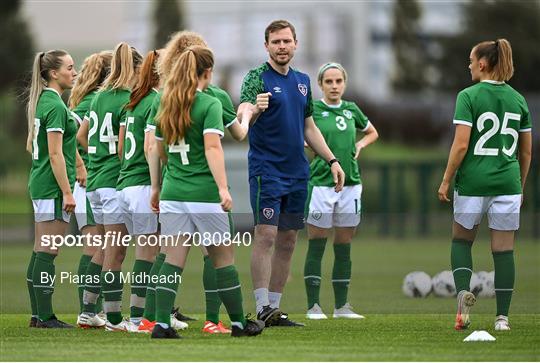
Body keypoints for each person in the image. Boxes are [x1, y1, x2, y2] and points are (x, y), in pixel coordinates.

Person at [148, 45, 264, 339]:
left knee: (173, 259)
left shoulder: (165, 101)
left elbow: (158, 149)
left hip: (174, 194)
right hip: (204, 195)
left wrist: (161, 184)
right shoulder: (209, 104)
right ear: (208, 72)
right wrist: (223, 188)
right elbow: (213, 147)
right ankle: (239, 323)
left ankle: (161, 323)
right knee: (223, 259)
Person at [238, 19, 345, 326]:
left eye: (286, 41)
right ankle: (260, 308)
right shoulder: (256, 78)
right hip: (266, 171)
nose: (282, 46)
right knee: (266, 235)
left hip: (298, 172)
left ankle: (275, 308)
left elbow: (308, 126)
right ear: (267, 46)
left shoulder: (302, 80)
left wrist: (332, 160)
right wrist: (254, 109)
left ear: (295, 44)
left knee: (288, 240)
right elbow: (243, 113)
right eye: (276, 42)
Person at [438, 39, 532, 331]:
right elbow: (526, 151)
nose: (468, 66)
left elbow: (461, 144)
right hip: (508, 183)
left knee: (461, 241)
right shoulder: (519, 99)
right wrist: (520, 186)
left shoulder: (468, 95)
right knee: (503, 251)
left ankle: (463, 298)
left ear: (481, 64)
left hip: (473, 184)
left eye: (470, 61)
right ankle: (502, 318)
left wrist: (445, 179)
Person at [304, 62, 378, 320]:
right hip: (321, 185)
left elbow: (372, 132)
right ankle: (313, 306)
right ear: (321, 84)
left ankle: (342, 307)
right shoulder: (312, 109)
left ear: (344, 83)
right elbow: (304, 136)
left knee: (344, 244)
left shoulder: (351, 109)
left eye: (338, 81)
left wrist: (360, 145)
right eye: (329, 82)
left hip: (351, 186)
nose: (334, 86)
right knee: (317, 243)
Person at [77, 42, 143, 332]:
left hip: (95, 181)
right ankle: (114, 319)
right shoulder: (129, 98)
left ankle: (87, 312)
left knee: (104, 248)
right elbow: (122, 146)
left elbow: (81, 135)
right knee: (116, 251)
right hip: (115, 182)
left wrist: (95, 157)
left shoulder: (99, 97)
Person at [26, 50, 80, 328]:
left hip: (41, 182)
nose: (75, 72)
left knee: (40, 250)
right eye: (70, 68)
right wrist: (68, 192)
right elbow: (56, 154)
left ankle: (38, 315)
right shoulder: (56, 106)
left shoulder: (47, 101)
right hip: (52, 185)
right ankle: (45, 316)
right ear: (53, 73)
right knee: (48, 251)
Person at [69, 50, 112, 329]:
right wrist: (84, 166)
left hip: (90, 182)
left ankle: (91, 310)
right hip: (88, 182)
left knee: (96, 245)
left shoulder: (92, 99)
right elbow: (71, 138)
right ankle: (88, 310)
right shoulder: (93, 102)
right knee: (96, 245)